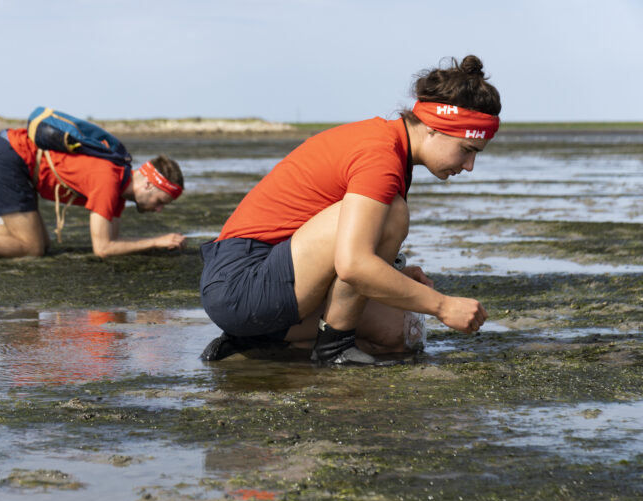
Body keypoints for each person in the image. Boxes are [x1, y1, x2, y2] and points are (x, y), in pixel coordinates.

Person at [199, 55, 500, 365]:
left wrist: (394, 277)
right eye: (466, 150)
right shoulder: (380, 154)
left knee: (399, 334)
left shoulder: (389, 145)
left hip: (262, 282)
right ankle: (333, 348)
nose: (469, 166)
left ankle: (253, 347)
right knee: (394, 214)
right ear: (434, 128)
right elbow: (354, 265)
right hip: (242, 282)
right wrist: (443, 306)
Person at [0, 127, 186, 265]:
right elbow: (102, 249)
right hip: (8, 157)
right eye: (161, 202)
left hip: (6, 151)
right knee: (31, 248)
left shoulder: (118, 183)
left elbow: (113, 241)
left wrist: (154, 244)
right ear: (149, 184)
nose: (159, 210)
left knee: (40, 243)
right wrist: (156, 242)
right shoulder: (108, 181)